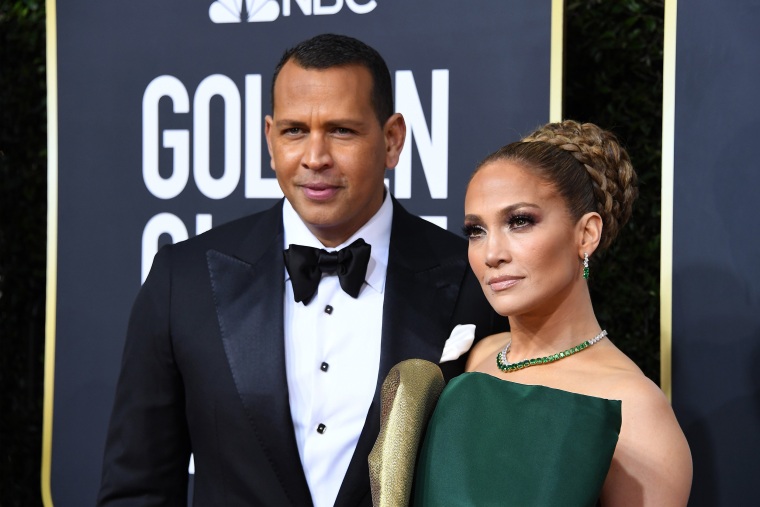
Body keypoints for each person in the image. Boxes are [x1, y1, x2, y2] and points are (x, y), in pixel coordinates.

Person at [97, 34, 501, 506]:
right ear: (270, 139)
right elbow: (137, 490)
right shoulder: (181, 281)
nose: (315, 157)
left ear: (392, 140)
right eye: (294, 131)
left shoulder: (476, 281)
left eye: (342, 130)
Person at [412, 120, 692, 505]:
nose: (492, 254)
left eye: (519, 221)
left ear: (586, 234)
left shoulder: (636, 412)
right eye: (476, 231)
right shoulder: (477, 358)